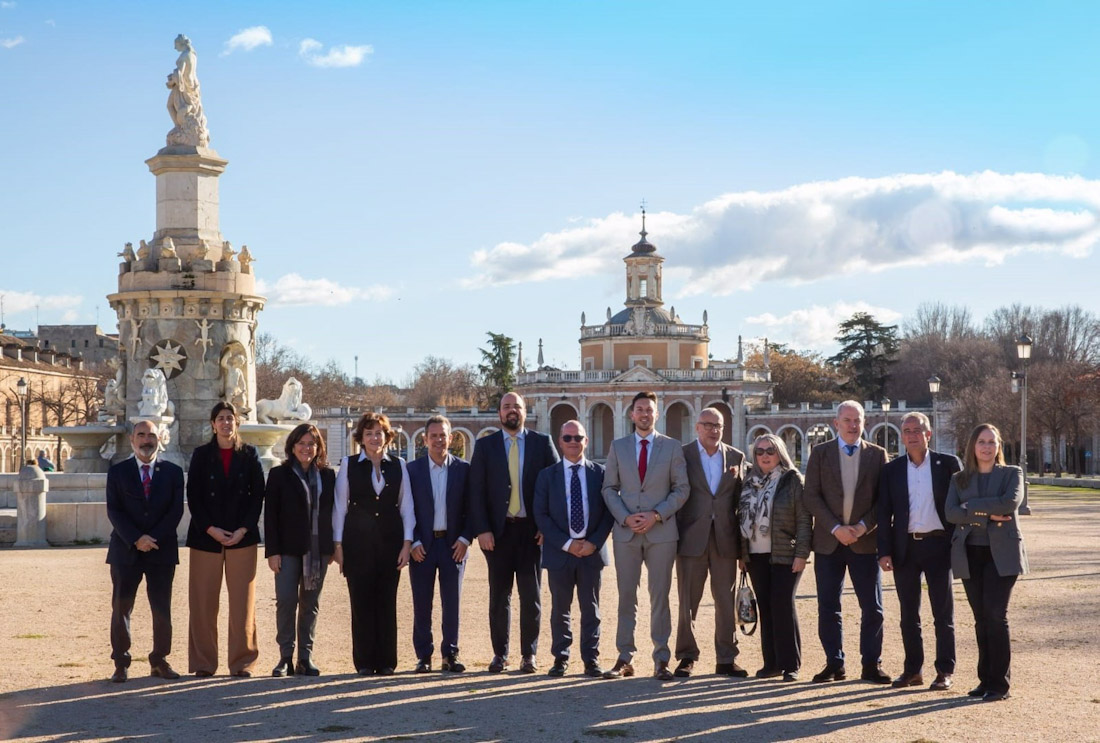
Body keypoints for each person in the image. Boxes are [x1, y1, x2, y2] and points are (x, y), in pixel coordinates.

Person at [601, 391, 690, 681]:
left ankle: (661, 659)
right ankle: (624, 657)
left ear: (657, 414)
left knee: (660, 597)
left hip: (661, 532)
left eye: (649, 410)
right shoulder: (618, 446)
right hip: (626, 532)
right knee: (626, 596)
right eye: (640, 409)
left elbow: (682, 489)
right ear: (631, 414)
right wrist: (625, 517)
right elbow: (608, 488)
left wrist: (657, 514)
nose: (644, 414)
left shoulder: (672, 447)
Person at [469, 392, 560, 673]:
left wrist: (547, 526)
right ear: (499, 413)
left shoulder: (542, 443)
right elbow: (476, 492)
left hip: (532, 533)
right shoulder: (485, 446)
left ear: (524, 411)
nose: (512, 410)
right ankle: (500, 654)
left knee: (531, 596)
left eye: (517, 406)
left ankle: (528, 655)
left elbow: (556, 485)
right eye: (506, 406)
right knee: (499, 596)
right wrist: (482, 529)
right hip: (497, 534)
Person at [802, 400, 890, 684]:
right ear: (836, 423)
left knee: (872, 607)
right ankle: (834, 663)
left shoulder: (877, 455)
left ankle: (871, 664)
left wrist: (863, 527)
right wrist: (835, 528)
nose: (853, 425)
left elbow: (884, 499)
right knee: (828, 606)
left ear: (864, 422)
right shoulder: (820, 453)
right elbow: (811, 496)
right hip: (829, 542)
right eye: (847, 420)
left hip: (864, 542)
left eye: (857, 420)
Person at [878, 412, 962, 691]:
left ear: (929, 434)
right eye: (907, 431)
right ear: (901, 436)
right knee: (908, 615)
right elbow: (884, 513)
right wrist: (884, 551)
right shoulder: (891, 470)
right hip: (905, 548)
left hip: (939, 545)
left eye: (917, 430)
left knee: (943, 613)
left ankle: (945, 670)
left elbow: (961, 503)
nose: (912, 435)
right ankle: (913, 670)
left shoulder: (948, 464)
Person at [945, 423, 1028, 702]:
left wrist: (971, 508)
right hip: (970, 553)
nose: (987, 447)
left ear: (999, 446)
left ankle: (1000, 684)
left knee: (995, 614)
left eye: (992, 442)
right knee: (980, 618)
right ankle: (985, 680)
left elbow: (1009, 503)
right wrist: (988, 514)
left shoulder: (1011, 473)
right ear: (973, 445)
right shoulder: (959, 479)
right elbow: (951, 513)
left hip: (1001, 554)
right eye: (981, 441)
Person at [186, 402, 266, 677]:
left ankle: (243, 662)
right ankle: (203, 662)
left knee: (243, 604)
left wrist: (244, 529)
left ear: (237, 423)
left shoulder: (250, 454)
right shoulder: (201, 455)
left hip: (242, 536)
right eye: (220, 418)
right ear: (213, 424)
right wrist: (210, 529)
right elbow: (193, 495)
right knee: (203, 603)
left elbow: (258, 495)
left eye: (230, 418)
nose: (225, 423)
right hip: (206, 536)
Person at [333, 412, 415, 675]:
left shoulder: (399, 465)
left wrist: (407, 543)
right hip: (356, 543)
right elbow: (339, 507)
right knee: (361, 602)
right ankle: (365, 662)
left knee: (387, 601)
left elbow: (406, 506)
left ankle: (387, 661)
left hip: (391, 543)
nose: (374, 438)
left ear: (387, 436)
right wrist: (338, 545)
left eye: (379, 433)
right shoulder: (349, 464)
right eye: (369, 433)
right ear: (361, 437)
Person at [105, 419, 185, 682]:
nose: (146, 440)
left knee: (162, 608)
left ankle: (160, 660)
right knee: (121, 608)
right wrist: (136, 538)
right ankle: (121, 662)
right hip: (126, 549)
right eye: (141, 435)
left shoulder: (173, 472)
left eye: (151, 435)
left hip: (161, 549)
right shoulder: (117, 472)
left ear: (159, 438)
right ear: (132, 439)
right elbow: (114, 510)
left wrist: (152, 538)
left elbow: (176, 511)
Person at [533, 420, 614, 678]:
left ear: (586, 441)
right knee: (560, 609)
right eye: (567, 438)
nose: (573, 442)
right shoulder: (547, 476)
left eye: (578, 437)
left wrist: (594, 543)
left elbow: (609, 513)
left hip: (591, 552)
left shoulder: (600, 474)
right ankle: (560, 658)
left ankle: (591, 659)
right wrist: (567, 544)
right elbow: (541, 515)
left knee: (591, 609)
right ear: (560, 441)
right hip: (560, 552)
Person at [673, 407, 748, 679]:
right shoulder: (682, 455)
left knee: (725, 600)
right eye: (708, 425)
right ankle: (686, 656)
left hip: (725, 539)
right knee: (687, 601)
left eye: (718, 426)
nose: (713, 430)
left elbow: (741, 503)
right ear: (697, 427)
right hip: (691, 538)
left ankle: (726, 658)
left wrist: (743, 549)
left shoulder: (736, 457)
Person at [739, 433, 812, 682]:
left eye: (770, 451)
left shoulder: (792, 480)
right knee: (765, 606)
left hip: (785, 552)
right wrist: (742, 555)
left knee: (783, 605)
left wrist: (802, 554)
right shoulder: (748, 481)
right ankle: (771, 663)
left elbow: (804, 519)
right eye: (759, 451)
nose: (765, 456)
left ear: (780, 453)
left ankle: (790, 664)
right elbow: (741, 518)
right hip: (755, 554)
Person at [264, 423, 335, 677]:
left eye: (311, 444)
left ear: (318, 448)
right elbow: (270, 515)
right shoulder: (279, 474)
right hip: (287, 549)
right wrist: (272, 551)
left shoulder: (328, 476)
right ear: (292, 447)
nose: (306, 448)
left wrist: (333, 547)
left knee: (310, 604)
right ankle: (285, 657)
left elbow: (333, 513)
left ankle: (305, 656)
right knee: (286, 601)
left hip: (317, 550)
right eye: (301, 443)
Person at [408, 415, 473, 673]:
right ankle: (424, 656)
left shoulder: (463, 469)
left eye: (442, 435)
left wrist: (465, 539)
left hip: (453, 544)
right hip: (422, 546)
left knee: (452, 603)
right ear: (425, 439)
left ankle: (450, 654)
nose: (438, 440)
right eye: (433, 436)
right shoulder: (412, 471)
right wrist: (412, 541)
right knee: (422, 603)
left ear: (451, 438)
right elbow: (405, 509)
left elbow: (473, 508)